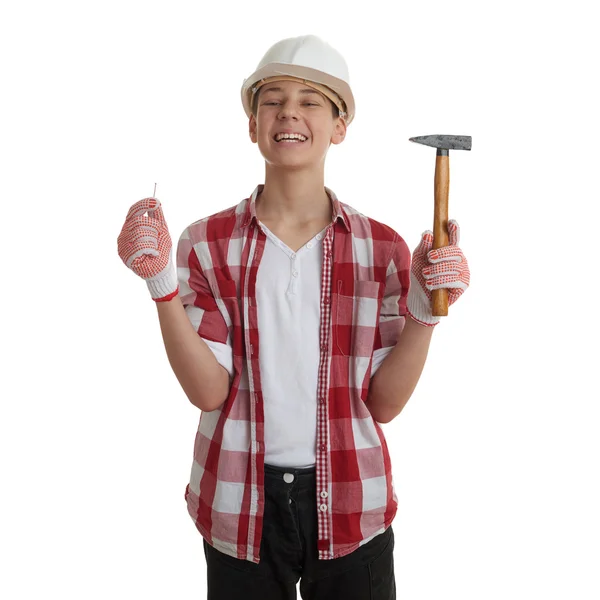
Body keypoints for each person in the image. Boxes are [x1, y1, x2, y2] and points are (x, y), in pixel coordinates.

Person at [117, 34, 470, 600]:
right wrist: (162, 288)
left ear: (339, 125)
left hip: (354, 500)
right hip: (237, 499)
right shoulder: (205, 243)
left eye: (310, 100)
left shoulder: (382, 249)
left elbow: (384, 404)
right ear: (253, 123)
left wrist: (426, 313)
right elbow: (208, 392)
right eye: (272, 99)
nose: (289, 112)